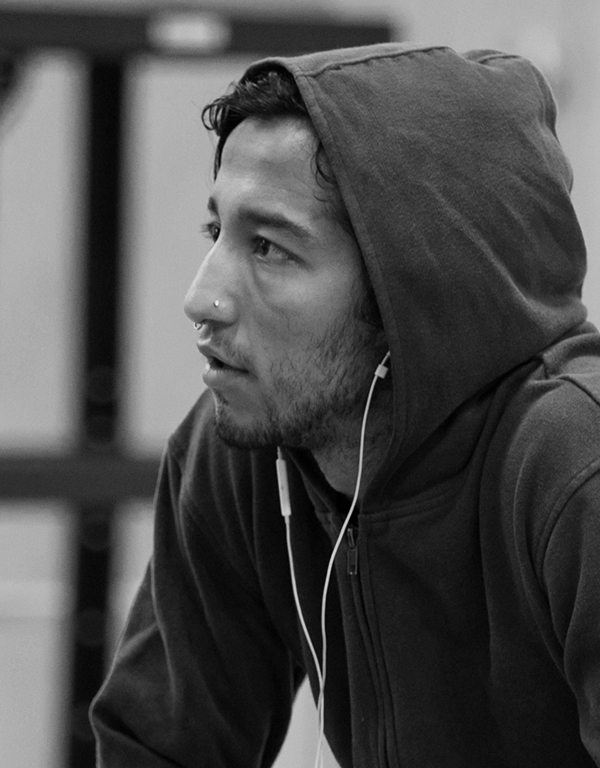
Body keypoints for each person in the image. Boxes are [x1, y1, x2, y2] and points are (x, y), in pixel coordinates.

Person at [91, 42, 600, 766]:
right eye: (217, 233)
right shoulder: (241, 450)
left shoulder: (573, 465)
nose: (202, 298)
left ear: (410, 293)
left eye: (268, 247)